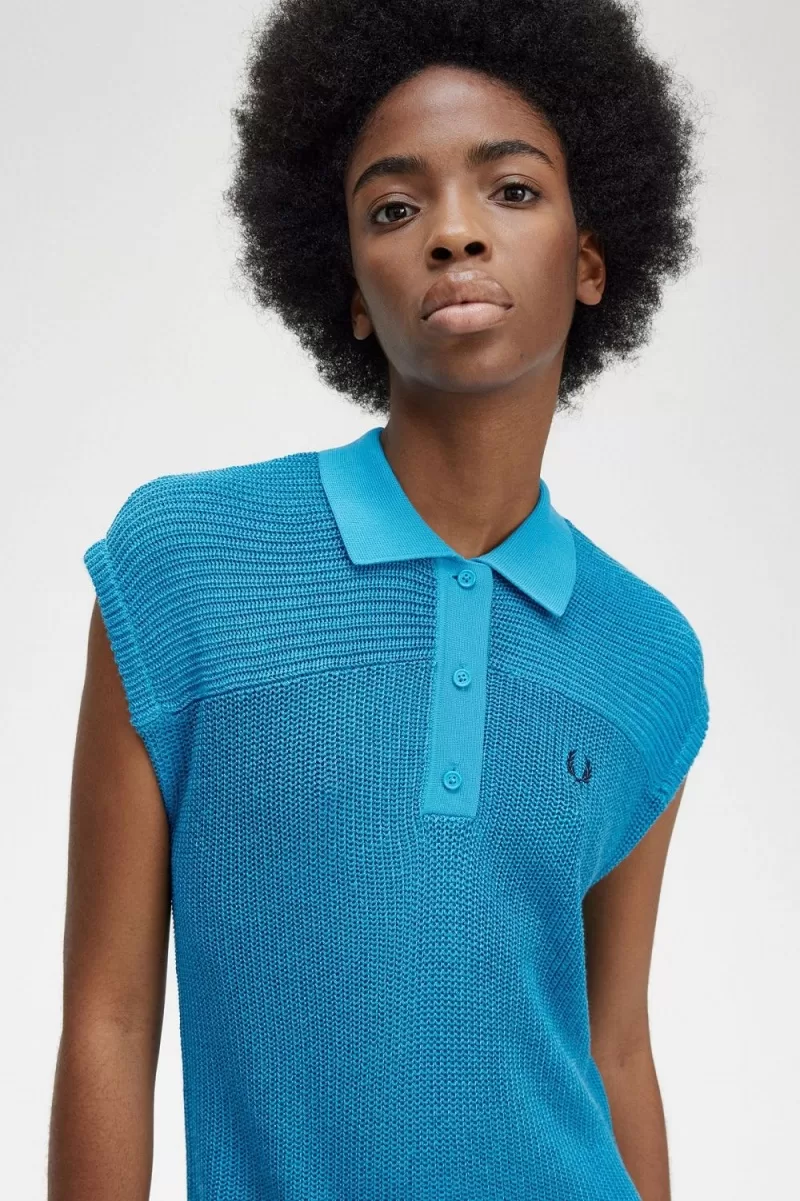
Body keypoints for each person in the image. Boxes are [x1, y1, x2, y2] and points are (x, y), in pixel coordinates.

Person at [49, 0, 711, 1198]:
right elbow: (108, 1015)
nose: (453, 233)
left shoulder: (648, 657)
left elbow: (615, 1046)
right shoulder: (182, 564)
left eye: (511, 190)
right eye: (393, 209)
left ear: (589, 260)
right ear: (351, 289)